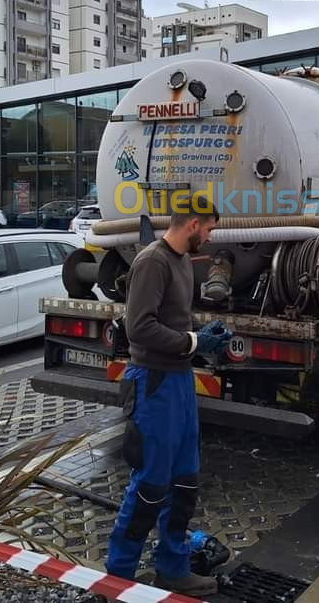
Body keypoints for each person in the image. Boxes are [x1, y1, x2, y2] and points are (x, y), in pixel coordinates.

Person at [104, 195, 232, 596]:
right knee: (151, 485)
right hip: (153, 383)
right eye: (209, 228)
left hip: (179, 382)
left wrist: (204, 337)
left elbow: (177, 318)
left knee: (184, 481)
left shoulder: (181, 262)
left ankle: (173, 568)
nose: (210, 238)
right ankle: (116, 577)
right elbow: (139, 328)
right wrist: (193, 341)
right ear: (192, 223)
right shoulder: (152, 262)